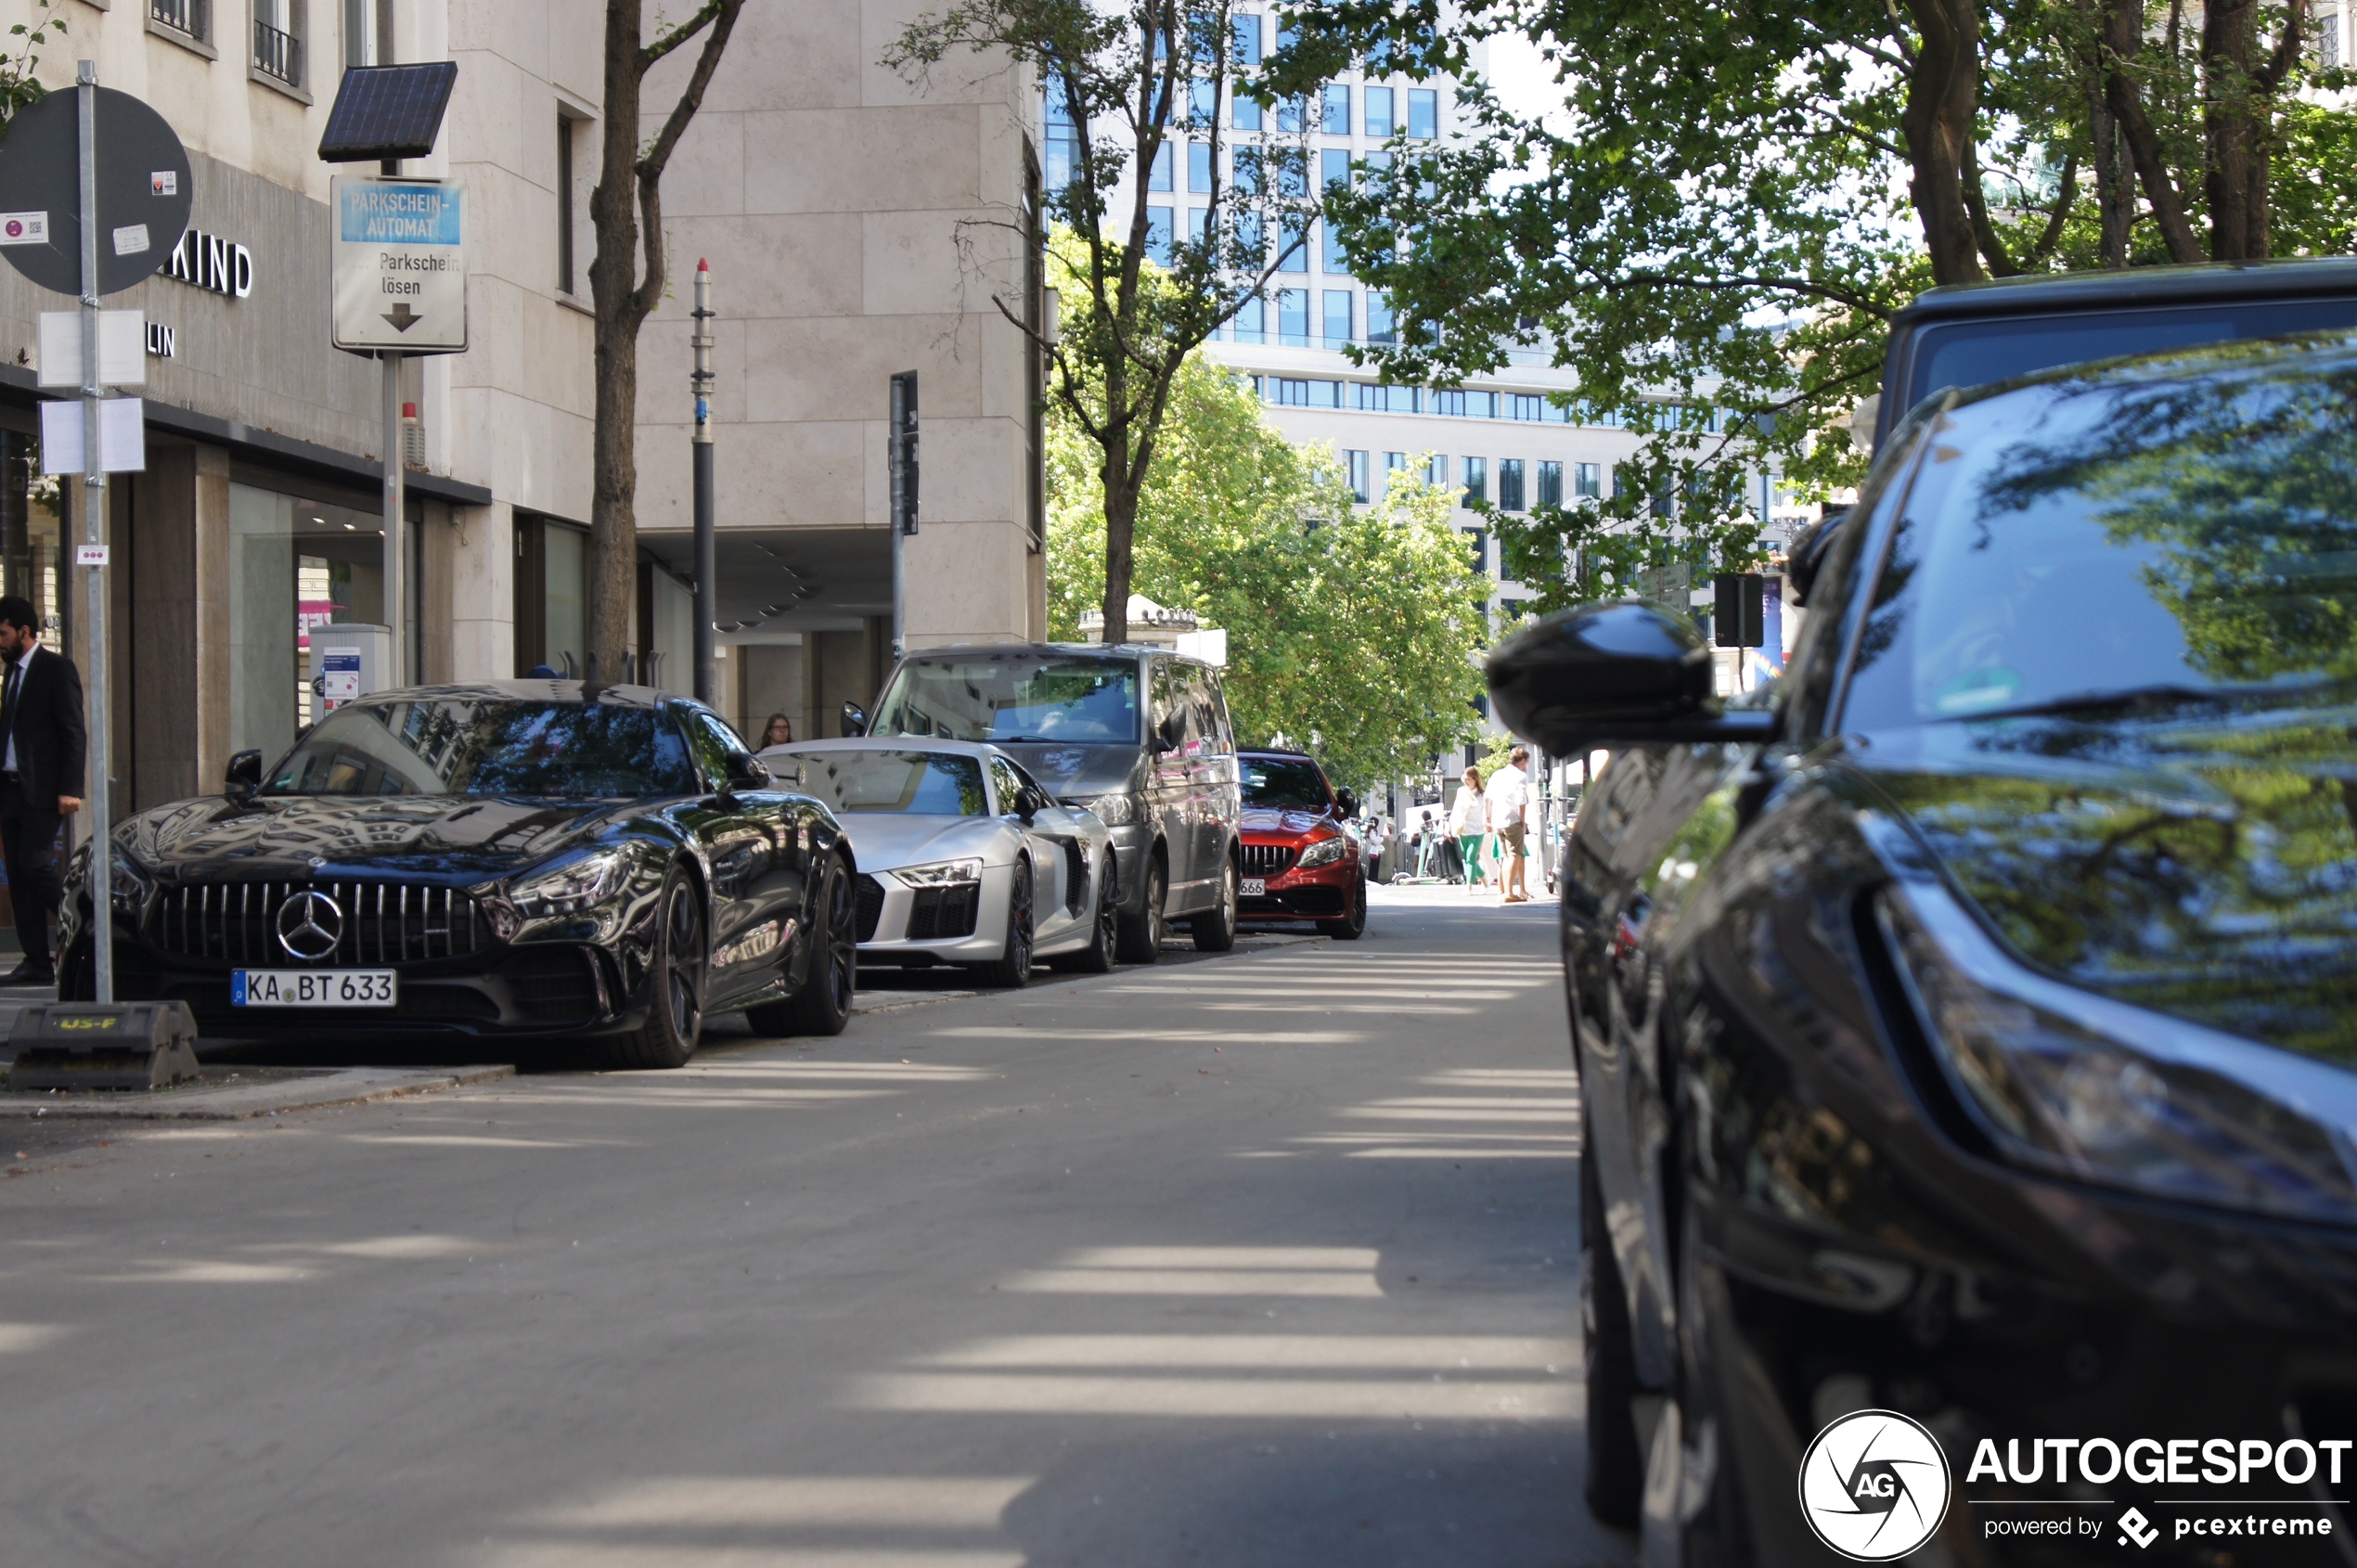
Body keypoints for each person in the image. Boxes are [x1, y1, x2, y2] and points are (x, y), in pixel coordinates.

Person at [0, 598, 84, 986]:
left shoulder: (56, 669)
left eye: (2, 634)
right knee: (18, 876)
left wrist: (71, 788)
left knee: (35, 864)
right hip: (11, 790)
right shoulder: (11, 674)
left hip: (46, 791)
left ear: (24, 632)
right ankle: (36, 961)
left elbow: (72, 732)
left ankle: (84, 922)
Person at [1489, 745, 1533, 903]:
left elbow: (1489, 796)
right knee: (1514, 855)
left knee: (1504, 857)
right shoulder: (1521, 776)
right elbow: (1521, 799)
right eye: (1526, 762)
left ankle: (1502, 891)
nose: (1526, 765)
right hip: (1512, 819)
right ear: (1523, 760)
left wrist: (1488, 818)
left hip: (1497, 819)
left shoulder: (1497, 774)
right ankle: (1509, 892)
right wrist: (1522, 819)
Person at [1449, 767, 1487, 893]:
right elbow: (1455, 810)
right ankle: (1485, 879)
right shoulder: (1461, 792)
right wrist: (1449, 826)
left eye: (1468, 780)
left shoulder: (1482, 795)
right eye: (1464, 779)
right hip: (1463, 829)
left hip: (1478, 830)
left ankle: (1469, 886)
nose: (1465, 782)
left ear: (1475, 780)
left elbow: (1487, 812)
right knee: (1468, 858)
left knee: (1471, 857)